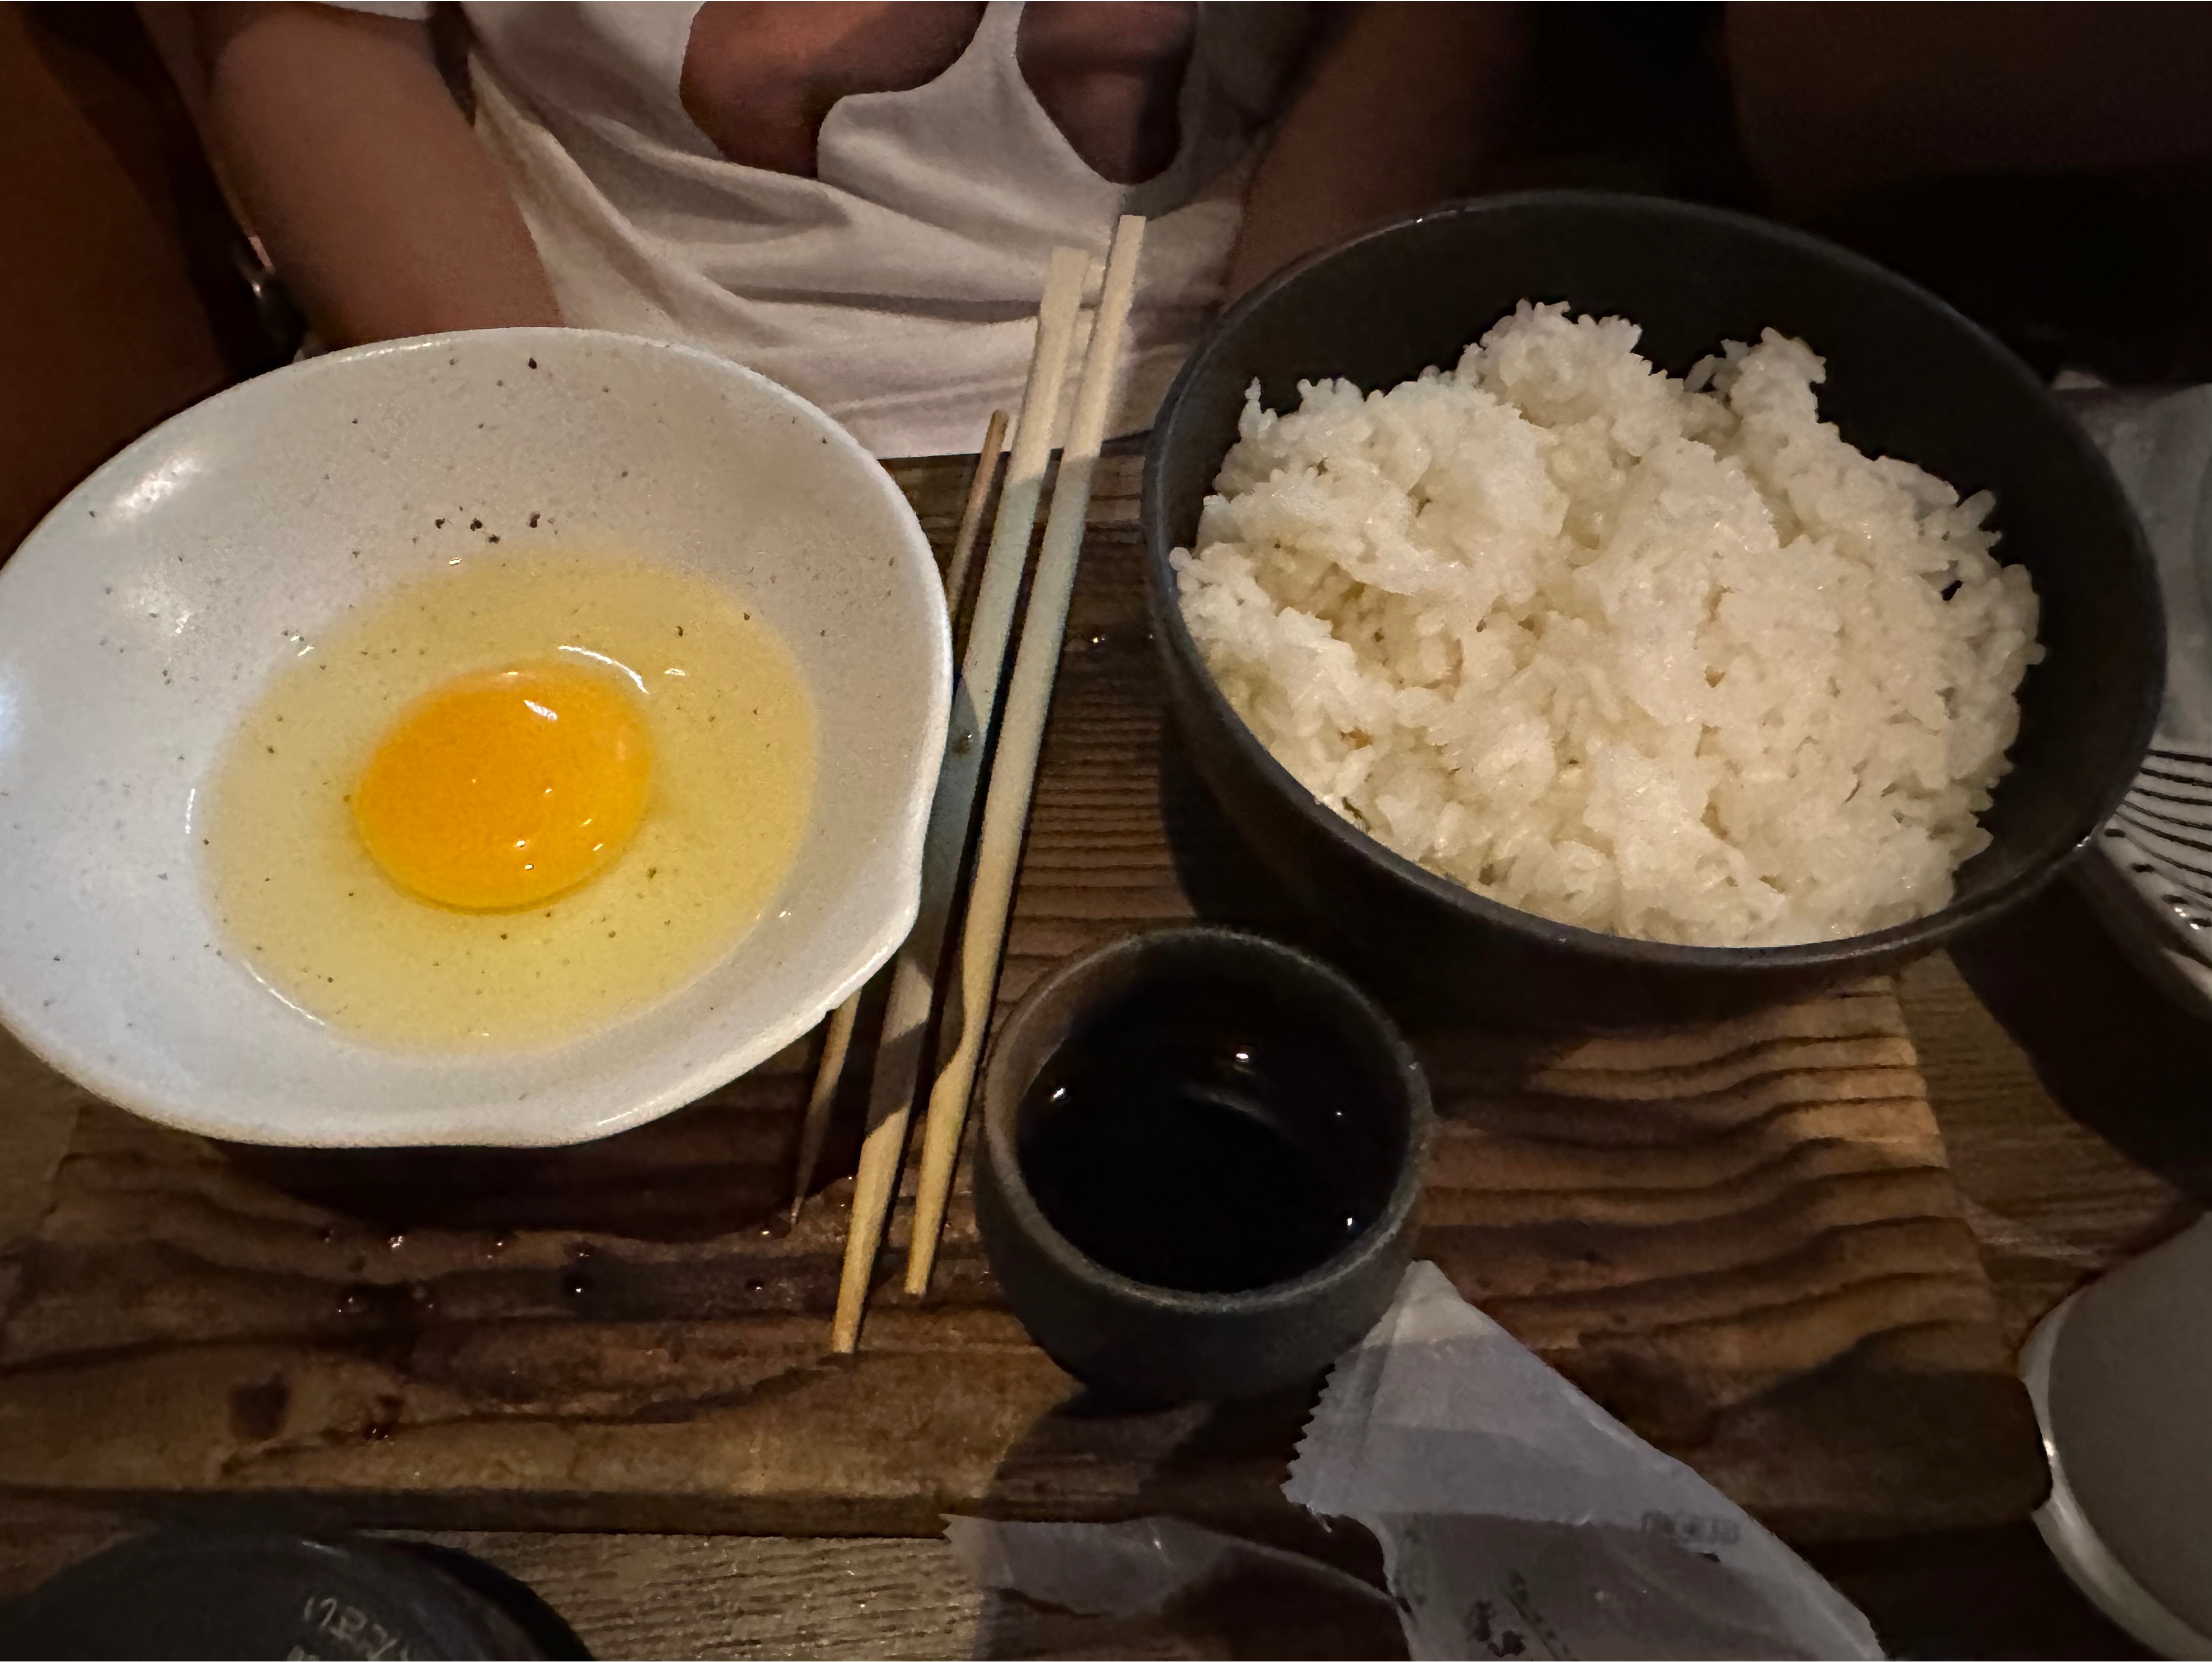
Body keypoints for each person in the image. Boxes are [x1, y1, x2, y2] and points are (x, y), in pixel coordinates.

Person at [185, 2, 1521, 457]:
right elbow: (314, 30)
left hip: (1196, 387)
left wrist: (1286, 400)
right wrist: (546, 439)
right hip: (581, 380)